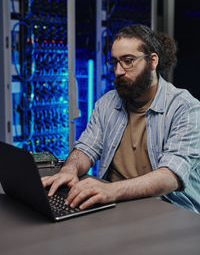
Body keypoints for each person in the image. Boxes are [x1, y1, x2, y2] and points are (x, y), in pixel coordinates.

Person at [42, 24, 200, 213]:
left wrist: (109, 190)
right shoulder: (106, 103)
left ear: (152, 61)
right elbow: (86, 148)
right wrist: (69, 169)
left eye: (128, 61)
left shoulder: (185, 108)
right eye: (115, 62)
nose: (118, 71)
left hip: (169, 211)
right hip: (117, 207)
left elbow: (171, 176)